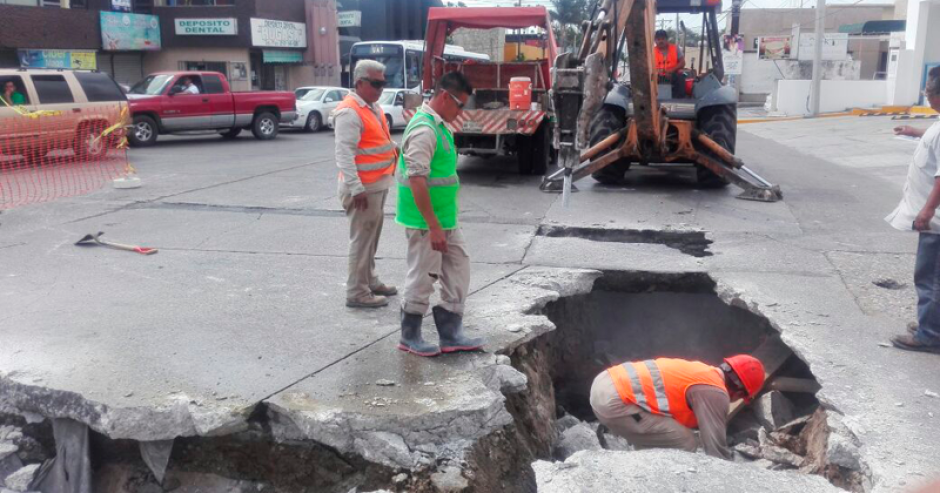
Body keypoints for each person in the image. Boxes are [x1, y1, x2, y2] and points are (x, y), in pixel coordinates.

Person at [395, 71, 484, 357]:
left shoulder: (441, 125)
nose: (461, 112)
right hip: (426, 222)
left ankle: (451, 331)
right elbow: (418, 180)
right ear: (445, 96)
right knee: (423, 275)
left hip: (445, 219)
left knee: (459, 267)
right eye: (460, 105)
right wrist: (433, 226)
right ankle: (410, 335)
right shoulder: (424, 129)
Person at [590, 355, 765, 459]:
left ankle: (643, 464)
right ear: (740, 391)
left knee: (667, 433)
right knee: (685, 441)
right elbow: (715, 450)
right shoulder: (715, 392)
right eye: (742, 397)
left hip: (604, 382)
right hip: (614, 403)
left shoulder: (702, 371)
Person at [333, 59, 398, 308]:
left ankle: (369, 280)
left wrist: (395, 149)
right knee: (361, 240)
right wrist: (356, 188)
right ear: (359, 83)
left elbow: (376, 141)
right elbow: (344, 154)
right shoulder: (350, 111)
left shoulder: (372, 107)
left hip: (377, 185)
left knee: (371, 238)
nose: (381, 88)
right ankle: (357, 292)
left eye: (383, 83)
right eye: (376, 83)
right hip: (363, 189)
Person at [886, 66, 940, 354]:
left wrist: (927, 211)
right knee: (933, 276)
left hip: (937, 222)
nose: (927, 98)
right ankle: (931, 323)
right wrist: (915, 131)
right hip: (935, 220)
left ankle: (930, 334)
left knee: (929, 277)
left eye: (929, 93)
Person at [654, 30, 687, 98]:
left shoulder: (675, 48)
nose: (661, 41)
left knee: (681, 78)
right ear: (655, 40)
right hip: (656, 76)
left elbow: (682, 62)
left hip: (673, 74)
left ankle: (679, 100)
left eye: (663, 39)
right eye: (658, 39)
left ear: (667, 39)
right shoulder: (651, 51)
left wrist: (672, 70)